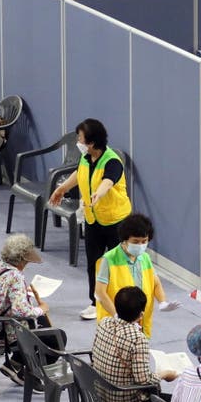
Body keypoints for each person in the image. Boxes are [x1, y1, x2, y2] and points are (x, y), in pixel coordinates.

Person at [49, 118, 131, 320]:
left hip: (115, 222)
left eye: (80, 138)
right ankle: (96, 302)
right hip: (93, 220)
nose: (78, 140)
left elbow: (108, 181)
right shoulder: (86, 158)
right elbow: (79, 174)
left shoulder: (112, 161)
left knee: (117, 265)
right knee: (94, 263)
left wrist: (99, 194)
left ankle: (122, 305)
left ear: (92, 142)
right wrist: (61, 188)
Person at [92, 286, 177, 402]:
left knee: (150, 390)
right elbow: (143, 379)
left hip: (99, 394)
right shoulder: (137, 339)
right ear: (141, 313)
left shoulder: (105, 322)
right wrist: (165, 374)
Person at [95, 213, 179, 338]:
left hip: (140, 321)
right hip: (115, 324)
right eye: (135, 241)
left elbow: (155, 283)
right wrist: (118, 316)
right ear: (125, 239)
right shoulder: (109, 260)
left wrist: (162, 302)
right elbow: (100, 293)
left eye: (144, 241)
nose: (140, 245)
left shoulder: (144, 258)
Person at [0, 233, 51, 388]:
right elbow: (19, 311)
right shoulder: (15, 276)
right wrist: (40, 309)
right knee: (54, 338)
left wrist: (22, 292)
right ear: (22, 259)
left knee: (45, 324)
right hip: (5, 329)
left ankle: (14, 363)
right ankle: (30, 376)